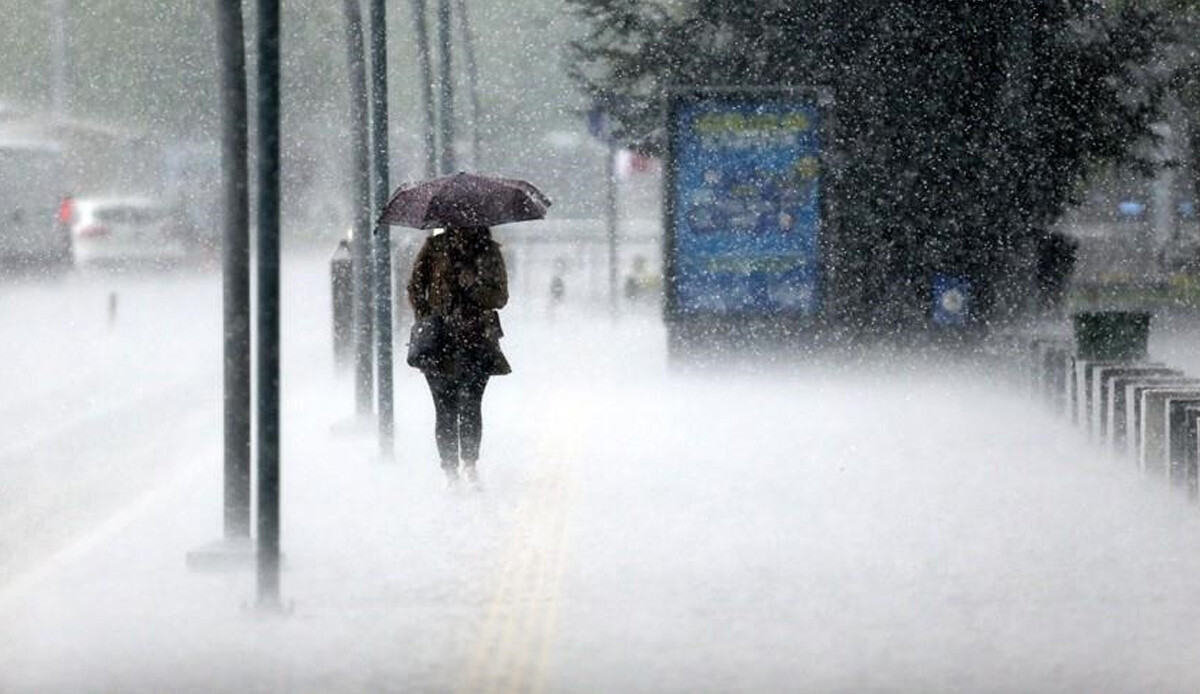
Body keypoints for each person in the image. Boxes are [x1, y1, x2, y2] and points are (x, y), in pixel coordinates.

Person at [407, 225, 510, 488]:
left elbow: (500, 297)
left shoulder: (488, 251)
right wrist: (428, 317)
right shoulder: (434, 248)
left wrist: (473, 285)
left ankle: (470, 464)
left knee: (471, 404)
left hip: (476, 339)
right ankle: (450, 470)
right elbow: (415, 287)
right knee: (444, 407)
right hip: (439, 342)